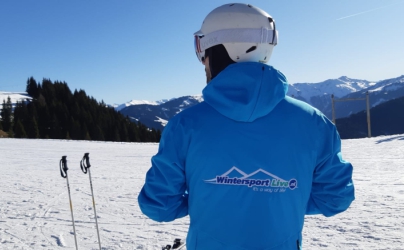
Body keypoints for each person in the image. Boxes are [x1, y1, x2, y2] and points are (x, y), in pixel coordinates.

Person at [138, 3, 355, 249]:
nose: (203, 61)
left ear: (221, 49)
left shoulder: (184, 125)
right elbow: (336, 198)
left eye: (202, 48)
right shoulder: (315, 122)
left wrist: (205, 199)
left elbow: (158, 205)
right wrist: (286, 200)